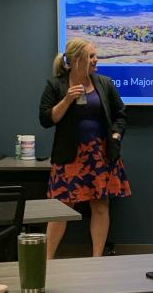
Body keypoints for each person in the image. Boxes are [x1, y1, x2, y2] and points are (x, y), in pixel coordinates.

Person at [39, 38, 130, 258]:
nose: (95, 59)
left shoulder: (104, 83)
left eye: (94, 55)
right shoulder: (56, 85)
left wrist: (116, 137)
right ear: (77, 60)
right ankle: (47, 260)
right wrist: (67, 99)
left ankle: (96, 259)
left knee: (100, 205)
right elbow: (46, 119)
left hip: (100, 155)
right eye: (90, 56)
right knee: (60, 209)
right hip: (69, 155)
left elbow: (121, 115)